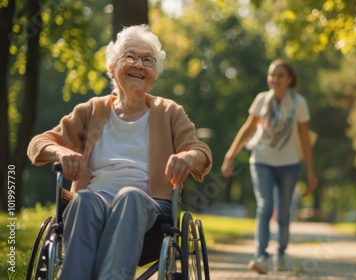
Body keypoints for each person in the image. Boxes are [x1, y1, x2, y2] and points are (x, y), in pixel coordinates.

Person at [27, 24, 212, 280]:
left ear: (154, 74)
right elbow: (39, 143)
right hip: (94, 200)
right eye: (130, 56)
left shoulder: (169, 112)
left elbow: (200, 150)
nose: (139, 64)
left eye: (147, 60)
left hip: (149, 207)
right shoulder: (91, 110)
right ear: (112, 68)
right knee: (84, 200)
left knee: (130, 197)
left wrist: (187, 157)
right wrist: (61, 153)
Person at [221, 59, 318, 274]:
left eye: (280, 75)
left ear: (290, 79)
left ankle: (281, 253)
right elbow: (248, 128)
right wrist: (230, 154)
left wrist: (310, 171)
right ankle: (261, 256)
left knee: (283, 213)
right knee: (265, 207)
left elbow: (304, 139)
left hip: (289, 163)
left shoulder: (299, 103)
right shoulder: (261, 100)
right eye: (272, 75)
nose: (275, 79)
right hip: (262, 160)